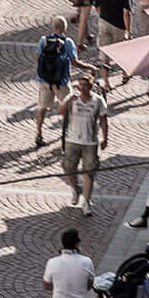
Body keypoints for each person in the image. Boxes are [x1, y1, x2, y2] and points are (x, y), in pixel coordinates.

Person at [59, 72, 110, 210]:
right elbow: (60, 111)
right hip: (72, 140)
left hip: (90, 142)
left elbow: (103, 119)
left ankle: (86, 202)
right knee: (68, 169)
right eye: (80, 85)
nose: (82, 88)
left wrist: (105, 137)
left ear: (91, 87)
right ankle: (75, 189)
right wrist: (67, 102)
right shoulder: (72, 98)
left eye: (85, 85)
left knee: (89, 172)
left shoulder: (98, 100)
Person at [34, 16, 78, 148]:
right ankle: (68, 132)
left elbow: (37, 57)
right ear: (65, 28)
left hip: (45, 80)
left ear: (53, 27)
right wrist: (90, 67)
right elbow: (75, 62)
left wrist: (44, 71)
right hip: (62, 82)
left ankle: (38, 133)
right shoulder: (68, 42)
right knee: (70, 106)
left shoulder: (44, 40)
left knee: (42, 107)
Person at [94, 0, 134, 87]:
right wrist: (128, 30)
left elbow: (96, 7)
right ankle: (125, 74)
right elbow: (126, 13)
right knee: (121, 52)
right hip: (119, 27)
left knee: (104, 56)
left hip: (104, 24)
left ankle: (106, 82)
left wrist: (103, 16)